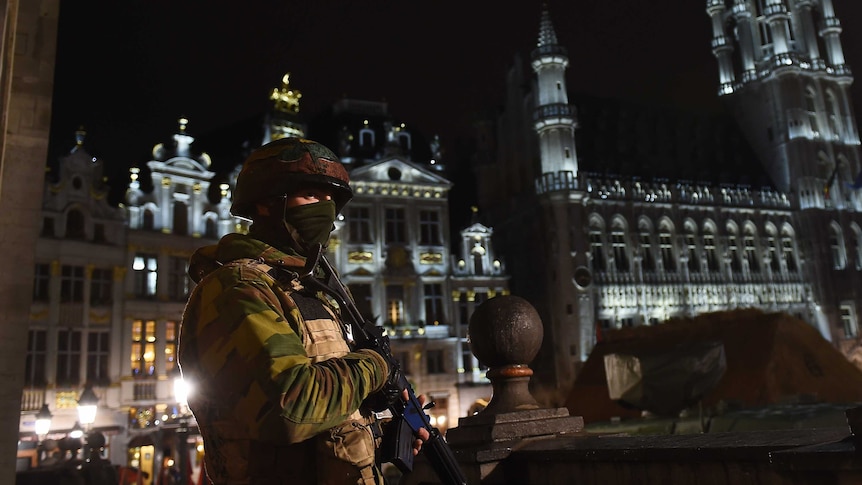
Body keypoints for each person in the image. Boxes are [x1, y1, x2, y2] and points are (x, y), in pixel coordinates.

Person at [178, 137, 428, 485]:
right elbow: (292, 407)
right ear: (267, 202)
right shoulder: (239, 287)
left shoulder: (308, 289)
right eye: (312, 195)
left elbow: (324, 424)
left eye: (331, 200)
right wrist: (377, 365)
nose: (325, 209)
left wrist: (382, 433)